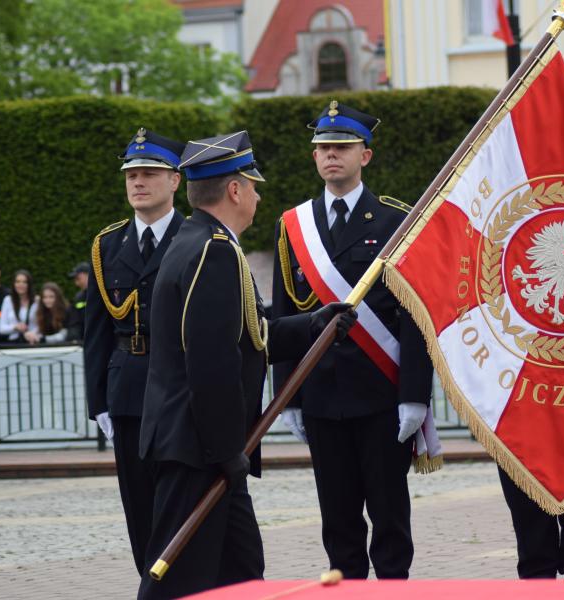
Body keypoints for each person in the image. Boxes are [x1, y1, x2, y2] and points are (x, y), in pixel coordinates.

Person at [138, 130, 355, 599]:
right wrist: (224, 451)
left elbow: (248, 337)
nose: (257, 196)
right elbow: (210, 364)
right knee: (178, 581)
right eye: (252, 185)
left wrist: (312, 323)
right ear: (234, 190)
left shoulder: (200, 242)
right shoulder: (213, 252)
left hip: (199, 444)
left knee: (241, 572)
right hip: (199, 449)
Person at [272, 101, 433, 579]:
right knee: (337, 517)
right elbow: (285, 314)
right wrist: (288, 397)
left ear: (365, 155)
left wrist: (415, 395)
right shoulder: (293, 225)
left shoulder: (395, 220)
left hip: (380, 392)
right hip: (320, 393)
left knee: (389, 514)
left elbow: (414, 316)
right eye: (323, 148)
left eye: (342, 147)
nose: (331, 155)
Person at [83, 128, 187, 577]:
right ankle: (152, 585)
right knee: (139, 507)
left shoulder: (196, 237)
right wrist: (98, 401)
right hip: (127, 392)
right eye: (131, 175)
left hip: (180, 390)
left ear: (175, 181)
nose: (138, 182)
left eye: (149, 174)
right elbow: (96, 332)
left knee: (181, 502)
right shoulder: (108, 245)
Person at [0, 270, 38, 343]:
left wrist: (33, 333)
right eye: (18, 282)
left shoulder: (36, 301)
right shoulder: (8, 300)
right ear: (14, 284)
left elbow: (41, 326)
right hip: (13, 343)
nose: (21, 285)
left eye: (24, 282)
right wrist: (15, 327)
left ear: (29, 284)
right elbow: (1, 329)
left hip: (32, 342)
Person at [66, 262, 90, 340]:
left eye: (78, 279)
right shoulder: (78, 297)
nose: (76, 283)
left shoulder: (103, 294)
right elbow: (75, 322)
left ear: (88, 275)